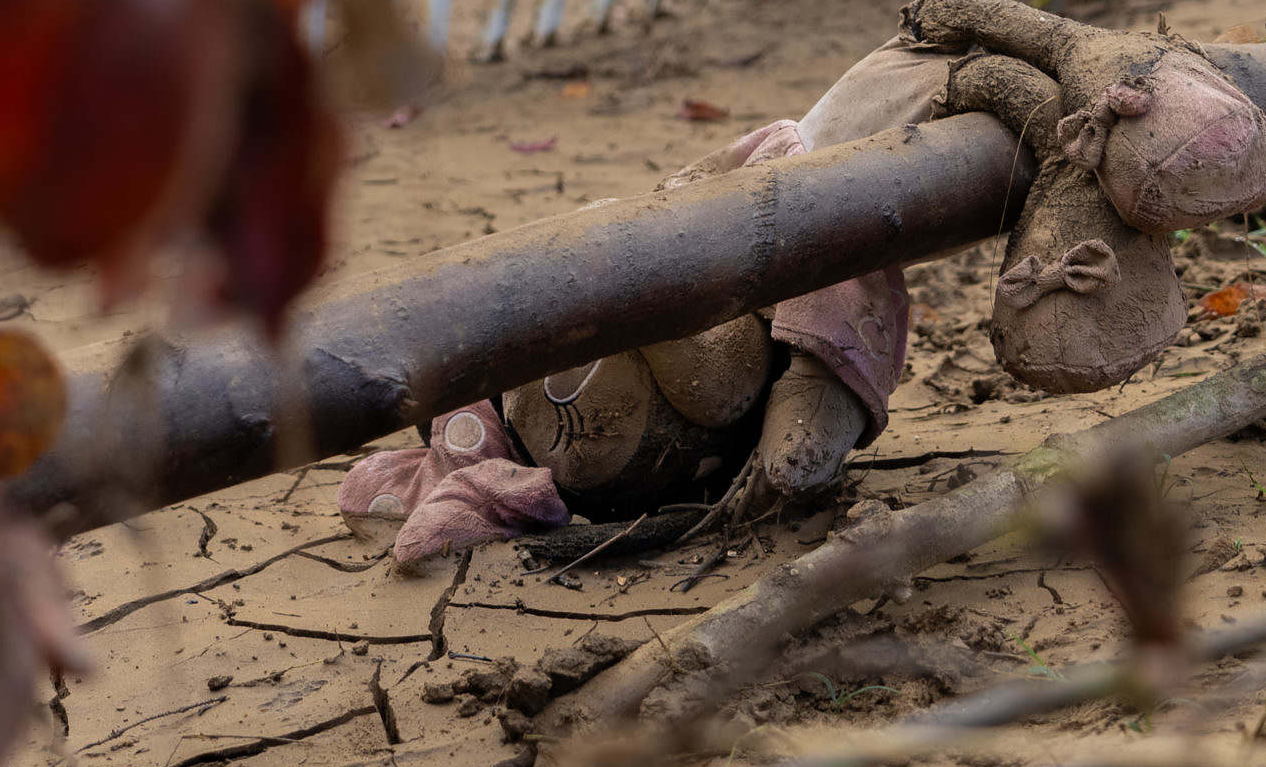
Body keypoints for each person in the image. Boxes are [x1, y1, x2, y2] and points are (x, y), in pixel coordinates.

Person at [338, 36, 967, 567]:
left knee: (725, 319)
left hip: (707, 291)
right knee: (721, 356)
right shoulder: (792, 196)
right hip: (675, 355)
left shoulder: (778, 192)